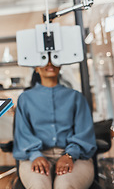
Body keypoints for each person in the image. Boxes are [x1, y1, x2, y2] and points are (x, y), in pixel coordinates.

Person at [13, 59, 97, 189]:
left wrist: (69, 155)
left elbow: (84, 134)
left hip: (76, 156)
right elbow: (22, 133)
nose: (49, 63)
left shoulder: (76, 97)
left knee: (65, 186)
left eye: (54, 59)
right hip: (35, 156)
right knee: (38, 186)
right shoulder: (25, 99)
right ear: (35, 67)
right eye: (43, 59)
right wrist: (35, 155)